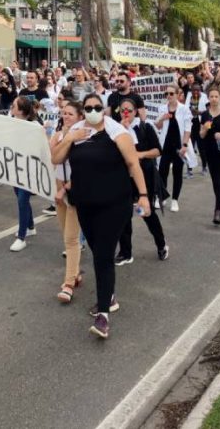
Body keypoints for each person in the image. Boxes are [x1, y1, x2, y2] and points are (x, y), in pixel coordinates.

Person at [51, 93, 151, 339]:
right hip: (85, 205)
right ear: (83, 110)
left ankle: (103, 314)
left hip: (114, 204)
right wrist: (70, 137)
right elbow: (56, 158)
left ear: (104, 110)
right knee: (98, 253)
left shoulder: (117, 132)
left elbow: (133, 164)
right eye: (88, 107)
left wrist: (144, 195)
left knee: (104, 256)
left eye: (97, 107)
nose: (93, 111)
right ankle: (110, 295)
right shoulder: (76, 130)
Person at [116, 98, 169, 265]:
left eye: (129, 110)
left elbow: (158, 151)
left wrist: (140, 155)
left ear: (136, 112)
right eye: (122, 110)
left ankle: (161, 244)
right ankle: (126, 252)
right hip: (124, 178)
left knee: (146, 213)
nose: (126, 113)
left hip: (143, 177)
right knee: (123, 215)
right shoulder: (116, 129)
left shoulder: (144, 127)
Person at [49, 101, 84, 302]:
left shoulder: (83, 137)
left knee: (71, 238)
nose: (66, 116)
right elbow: (52, 156)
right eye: (63, 113)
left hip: (74, 191)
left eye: (70, 113)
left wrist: (64, 189)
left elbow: (83, 169)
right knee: (66, 235)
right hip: (58, 191)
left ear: (80, 117)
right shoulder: (59, 135)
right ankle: (76, 273)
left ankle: (69, 283)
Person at [154, 85, 193, 212]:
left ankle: (175, 200)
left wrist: (185, 145)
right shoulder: (162, 108)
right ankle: (162, 196)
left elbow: (187, 129)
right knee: (162, 171)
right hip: (165, 145)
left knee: (177, 172)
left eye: (171, 93)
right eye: (167, 94)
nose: (169, 96)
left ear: (177, 94)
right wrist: (162, 118)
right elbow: (159, 127)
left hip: (178, 145)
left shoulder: (184, 109)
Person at [9, 96, 40, 252]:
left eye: (14, 105)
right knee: (20, 197)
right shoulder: (10, 122)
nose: (11, 107)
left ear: (21, 110)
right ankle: (30, 226)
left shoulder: (34, 126)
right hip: (15, 167)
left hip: (28, 170)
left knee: (22, 201)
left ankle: (22, 237)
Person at [200, 86, 220, 225]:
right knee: (215, 181)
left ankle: (217, 210)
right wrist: (205, 128)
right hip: (210, 150)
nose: (213, 99)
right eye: (211, 96)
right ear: (208, 98)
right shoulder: (205, 115)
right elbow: (201, 135)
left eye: (216, 96)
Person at [185, 83, 209, 176]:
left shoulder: (204, 97)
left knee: (201, 147)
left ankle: (204, 167)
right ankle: (189, 169)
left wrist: (199, 112)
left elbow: (208, 110)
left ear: (200, 90)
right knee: (189, 147)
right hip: (191, 124)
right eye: (193, 90)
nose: (195, 92)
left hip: (200, 124)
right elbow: (186, 109)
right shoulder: (189, 97)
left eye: (197, 90)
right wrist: (190, 111)